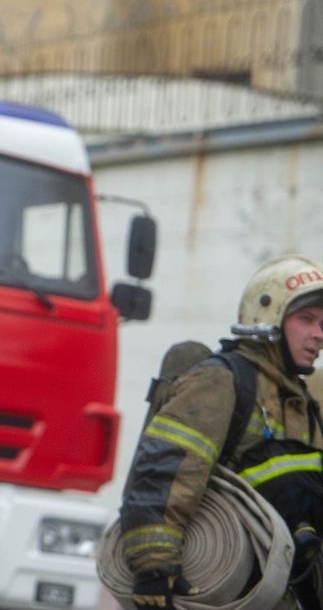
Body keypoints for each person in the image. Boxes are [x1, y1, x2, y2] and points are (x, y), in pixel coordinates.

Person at [119, 253, 323, 610]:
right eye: (306, 319)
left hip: (271, 590)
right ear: (267, 317)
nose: (318, 335)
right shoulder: (220, 380)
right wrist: (154, 564)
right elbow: (165, 471)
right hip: (214, 584)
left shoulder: (300, 401)